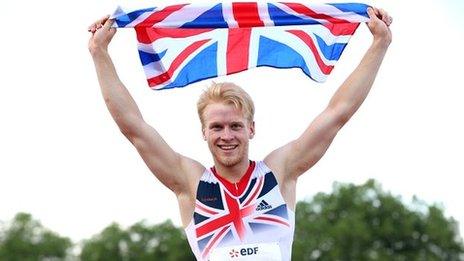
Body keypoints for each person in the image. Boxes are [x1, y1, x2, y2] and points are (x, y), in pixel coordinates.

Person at [88, 6, 392, 261]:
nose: (227, 136)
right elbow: (133, 127)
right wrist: (99, 53)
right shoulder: (190, 182)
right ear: (204, 133)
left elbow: (337, 113)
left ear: (251, 129)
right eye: (217, 127)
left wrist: (379, 44)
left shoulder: (279, 172)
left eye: (235, 126)